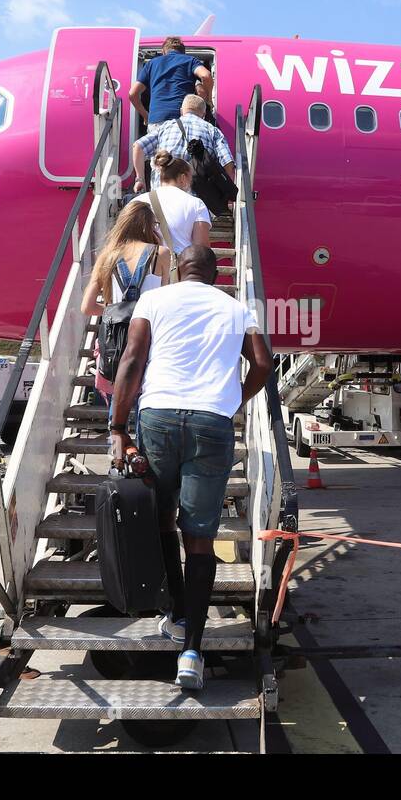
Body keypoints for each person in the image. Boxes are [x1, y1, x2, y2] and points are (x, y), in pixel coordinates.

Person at [108, 245, 272, 690]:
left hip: (158, 416)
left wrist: (119, 428)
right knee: (200, 539)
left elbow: (131, 361)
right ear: (217, 274)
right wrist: (234, 399)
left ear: (179, 271)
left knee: (162, 519)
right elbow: (262, 364)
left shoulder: (155, 299)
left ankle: (177, 612)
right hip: (211, 423)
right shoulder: (239, 307)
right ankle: (193, 653)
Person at [80, 199, 171, 418]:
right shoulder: (161, 254)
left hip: (115, 340)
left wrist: (116, 310)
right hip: (149, 337)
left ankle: (117, 448)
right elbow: (166, 300)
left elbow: (88, 307)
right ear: (149, 225)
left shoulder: (107, 256)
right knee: (147, 403)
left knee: (117, 404)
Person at [132, 95, 236, 214]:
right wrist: (227, 194)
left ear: (181, 111)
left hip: (161, 200)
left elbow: (138, 146)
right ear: (204, 114)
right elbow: (228, 163)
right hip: (196, 204)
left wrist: (139, 179)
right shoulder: (212, 130)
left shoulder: (166, 127)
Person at [130, 151, 211, 256]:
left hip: (146, 267)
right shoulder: (196, 204)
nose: (191, 184)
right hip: (180, 269)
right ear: (183, 178)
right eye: (191, 179)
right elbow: (201, 248)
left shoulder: (138, 201)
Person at [129, 36, 212, 129]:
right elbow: (206, 75)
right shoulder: (190, 60)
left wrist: (146, 116)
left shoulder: (151, 64)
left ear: (164, 52)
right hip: (181, 118)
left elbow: (133, 94)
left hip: (156, 119)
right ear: (183, 52)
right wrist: (209, 99)